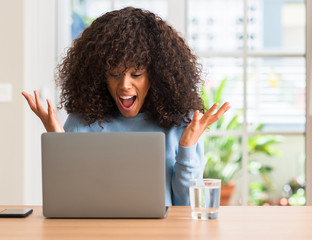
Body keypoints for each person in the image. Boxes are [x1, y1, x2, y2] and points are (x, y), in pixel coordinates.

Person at [22, 7, 230, 206]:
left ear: (156, 76)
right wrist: (59, 145)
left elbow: (187, 206)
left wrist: (186, 148)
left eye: (136, 75)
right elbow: (67, 202)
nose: (124, 85)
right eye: (114, 74)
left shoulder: (183, 124)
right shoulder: (82, 122)